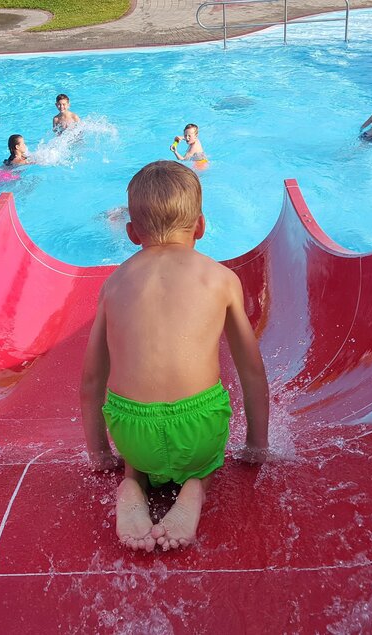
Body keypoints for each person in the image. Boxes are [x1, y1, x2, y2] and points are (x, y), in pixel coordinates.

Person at [80, 160, 270, 553]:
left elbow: (92, 380)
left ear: (132, 233)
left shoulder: (114, 283)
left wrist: (99, 452)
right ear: (200, 226)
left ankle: (132, 481)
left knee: (140, 455)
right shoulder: (221, 278)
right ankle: (196, 486)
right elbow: (251, 370)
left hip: (132, 430)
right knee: (205, 457)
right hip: (196, 427)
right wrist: (256, 444)